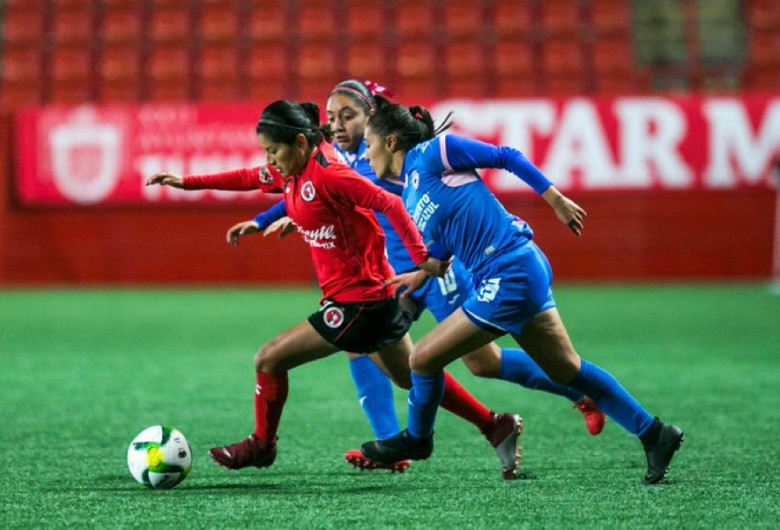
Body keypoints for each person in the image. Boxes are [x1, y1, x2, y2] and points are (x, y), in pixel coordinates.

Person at [146, 100, 523, 479]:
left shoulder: (330, 174)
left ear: (298, 142)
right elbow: (249, 177)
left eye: (273, 151)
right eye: (266, 152)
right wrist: (187, 183)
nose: (270, 160)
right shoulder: (293, 170)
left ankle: (262, 445)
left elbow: (389, 202)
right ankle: (493, 425)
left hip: (357, 301)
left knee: (269, 359)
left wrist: (421, 256)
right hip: (374, 295)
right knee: (410, 377)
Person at [256, 80, 605, 473]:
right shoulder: (339, 159)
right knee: (361, 340)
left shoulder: (386, 159)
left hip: (435, 269)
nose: (336, 125)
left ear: (372, 120)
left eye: (348, 117)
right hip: (395, 276)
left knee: (481, 363)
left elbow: (425, 192)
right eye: (332, 117)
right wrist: (270, 217)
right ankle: (390, 444)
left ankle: (578, 391)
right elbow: (300, 189)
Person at [358, 103, 685, 485]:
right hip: (514, 270)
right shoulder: (411, 195)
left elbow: (505, 156)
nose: (366, 153)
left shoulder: (436, 152)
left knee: (423, 359)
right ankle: (655, 434)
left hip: (508, 270)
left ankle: (417, 440)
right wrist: (420, 274)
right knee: (567, 370)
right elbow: (446, 244)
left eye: (368, 143)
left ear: (391, 141)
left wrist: (555, 199)